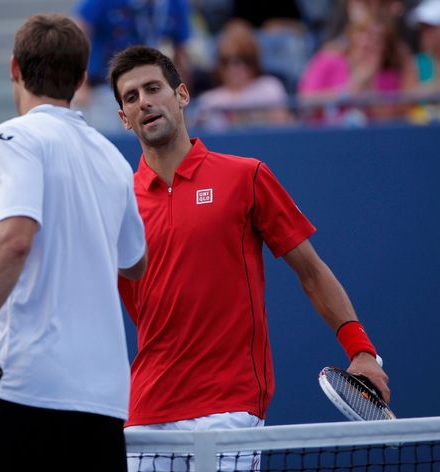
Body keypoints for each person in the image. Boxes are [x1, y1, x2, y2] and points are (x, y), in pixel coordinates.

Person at [106, 45, 389, 471]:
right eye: (130, 97)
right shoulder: (117, 205)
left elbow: (311, 271)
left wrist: (361, 350)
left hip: (229, 407)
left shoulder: (246, 176)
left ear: (181, 95)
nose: (143, 101)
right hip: (146, 412)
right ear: (124, 119)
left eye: (152, 88)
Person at [0, 13, 147, 472]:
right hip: (100, 411)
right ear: (82, 79)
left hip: (22, 394)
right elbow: (133, 264)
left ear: (14, 68)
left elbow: (17, 243)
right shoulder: (114, 160)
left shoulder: (14, 136)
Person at [72, 0, 192, 131]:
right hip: (103, 88)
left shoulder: (176, 4)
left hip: (150, 85)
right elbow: (78, 34)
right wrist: (82, 85)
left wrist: (179, 100)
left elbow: (181, 54)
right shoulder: (102, 2)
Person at [298, 10, 416, 124]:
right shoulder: (328, 61)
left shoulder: (390, 75)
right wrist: (351, 87)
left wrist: (369, 84)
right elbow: (305, 102)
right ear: (352, 35)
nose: (368, 43)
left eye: (377, 38)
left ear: (385, 47)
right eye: (363, 34)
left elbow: (388, 122)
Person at [189, 19, 291, 131]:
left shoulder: (270, 88)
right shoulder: (209, 102)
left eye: (244, 60)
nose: (235, 68)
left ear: (254, 62)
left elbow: (282, 128)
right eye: (227, 61)